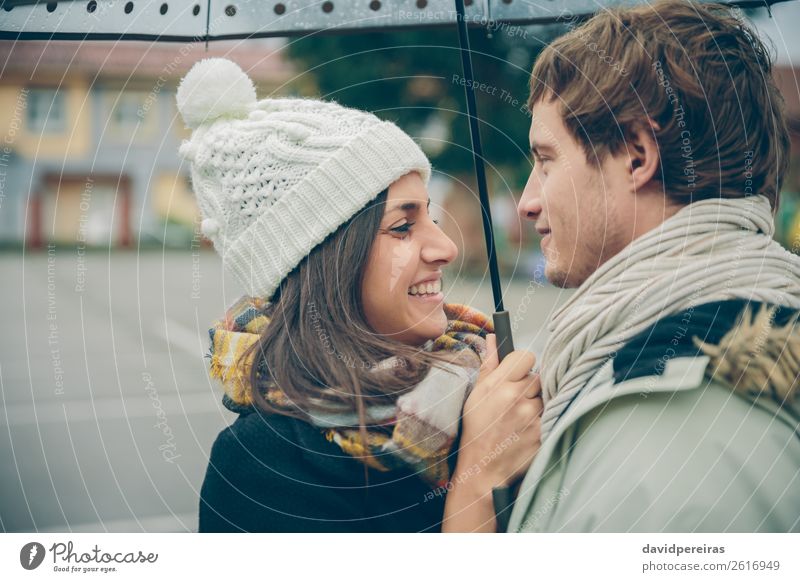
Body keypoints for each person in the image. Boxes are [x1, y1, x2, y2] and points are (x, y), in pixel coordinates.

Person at [175, 58, 542, 532]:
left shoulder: (482, 389)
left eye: (429, 215)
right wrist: (477, 478)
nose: (447, 247)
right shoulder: (259, 470)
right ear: (327, 262)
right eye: (403, 226)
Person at [507, 0, 800, 532]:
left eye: (546, 160)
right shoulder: (744, 327)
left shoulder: (666, 442)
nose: (527, 202)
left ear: (637, 156)